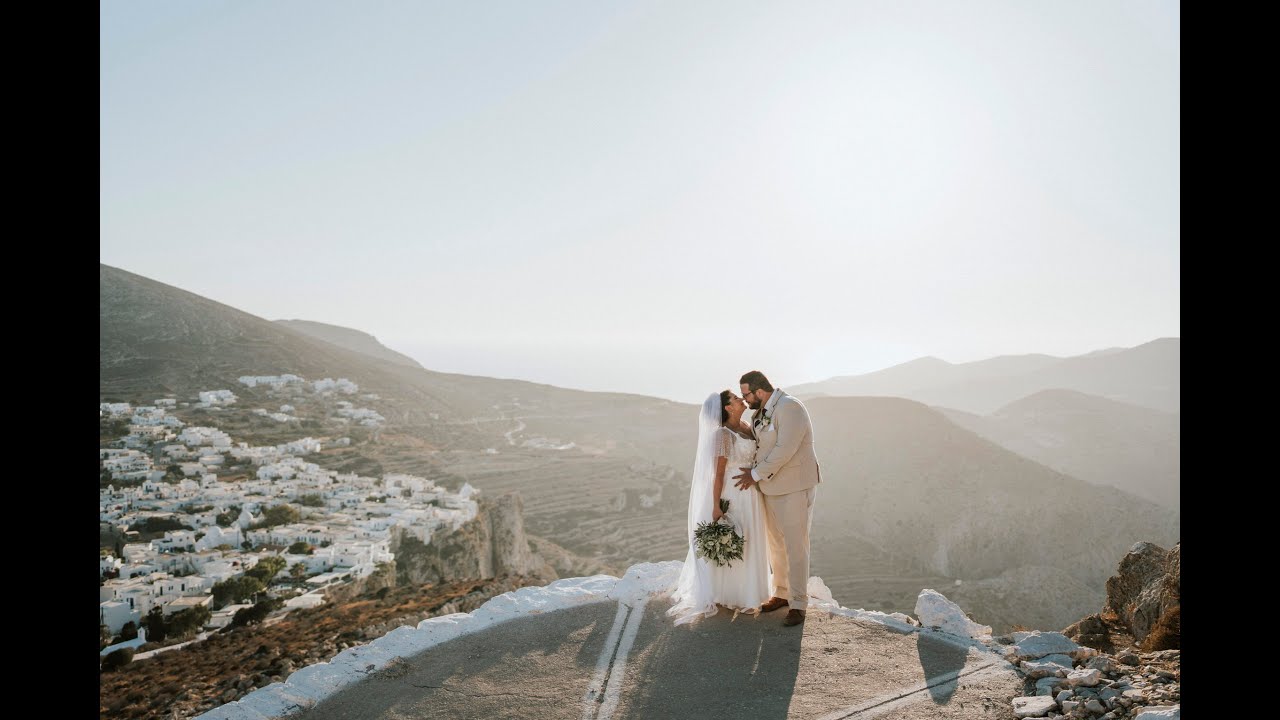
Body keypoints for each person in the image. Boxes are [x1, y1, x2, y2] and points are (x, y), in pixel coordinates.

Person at [668, 390, 771, 625]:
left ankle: (752, 592)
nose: (741, 400)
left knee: (753, 538)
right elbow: (718, 473)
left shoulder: (746, 425)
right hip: (734, 493)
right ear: (727, 408)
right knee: (739, 539)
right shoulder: (723, 435)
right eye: (735, 398)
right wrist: (716, 506)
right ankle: (734, 594)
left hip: (753, 493)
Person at [733, 370, 821, 627]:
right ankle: (781, 593)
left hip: (794, 486)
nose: (745, 399)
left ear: (759, 391)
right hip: (770, 488)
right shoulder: (760, 412)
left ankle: (798, 603)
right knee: (776, 545)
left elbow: (786, 448)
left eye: (746, 394)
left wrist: (756, 474)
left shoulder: (790, 407)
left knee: (796, 545)